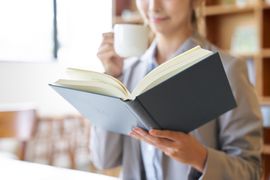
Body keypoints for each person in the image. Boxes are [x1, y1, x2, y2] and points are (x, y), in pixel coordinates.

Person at [91, 0, 263, 179]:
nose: (153, 7)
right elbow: (104, 159)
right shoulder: (127, 71)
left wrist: (201, 158)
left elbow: (251, 171)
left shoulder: (227, 70)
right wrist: (111, 79)